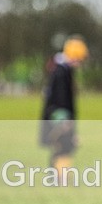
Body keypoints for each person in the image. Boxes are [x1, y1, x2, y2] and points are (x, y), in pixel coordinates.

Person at [39, 37, 88, 182]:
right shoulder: (61, 72)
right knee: (62, 146)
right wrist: (65, 121)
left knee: (64, 146)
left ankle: (60, 177)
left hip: (59, 117)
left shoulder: (62, 69)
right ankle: (58, 178)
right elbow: (60, 99)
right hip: (59, 118)